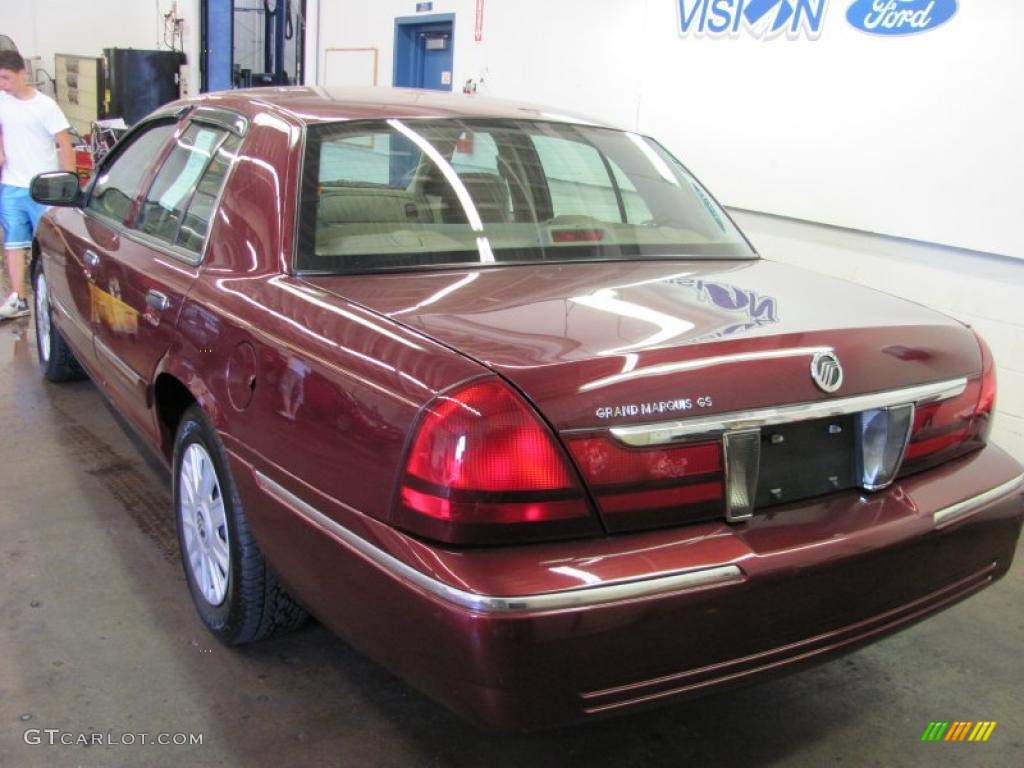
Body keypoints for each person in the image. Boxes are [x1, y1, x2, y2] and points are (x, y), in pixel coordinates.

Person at [0, 50, 74, 319]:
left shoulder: (45, 106)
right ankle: (18, 298)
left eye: (6, 78)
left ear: (23, 74)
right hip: (11, 185)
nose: (2, 84)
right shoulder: (1, 101)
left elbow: (65, 144)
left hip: (43, 187)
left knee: (49, 245)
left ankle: (58, 300)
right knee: (13, 243)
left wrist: (69, 184)